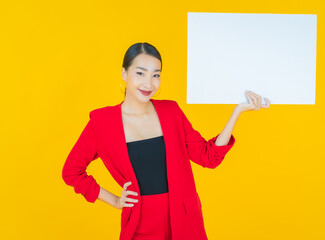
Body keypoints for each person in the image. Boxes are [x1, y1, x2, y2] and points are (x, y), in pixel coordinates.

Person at [62, 42, 270, 240]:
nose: (149, 83)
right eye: (140, 73)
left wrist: (237, 112)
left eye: (156, 75)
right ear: (124, 74)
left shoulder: (171, 112)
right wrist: (115, 201)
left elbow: (209, 157)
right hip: (140, 223)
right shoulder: (102, 122)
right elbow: (71, 171)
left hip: (184, 220)